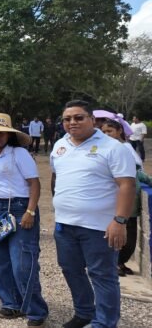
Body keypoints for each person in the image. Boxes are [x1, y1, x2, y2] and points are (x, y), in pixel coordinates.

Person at [50, 100, 135, 328]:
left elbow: (127, 185)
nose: (72, 123)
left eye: (78, 117)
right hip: (65, 225)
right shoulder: (60, 145)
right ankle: (84, 313)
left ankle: (105, 322)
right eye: (67, 119)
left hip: (100, 226)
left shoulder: (112, 147)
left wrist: (120, 221)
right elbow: (57, 178)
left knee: (102, 275)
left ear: (92, 120)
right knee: (70, 270)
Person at [0, 114, 48, 327]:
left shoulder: (19, 153)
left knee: (22, 261)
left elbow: (34, 184)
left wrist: (30, 212)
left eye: (1, 132)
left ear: (9, 134)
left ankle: (35, 309)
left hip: (20, 207)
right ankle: (11, 303)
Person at [98, 115, 151, 277]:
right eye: (103, 131)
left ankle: (119, 262)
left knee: (129, 236)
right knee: (117, 235)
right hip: (111, 200)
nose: (107, 134)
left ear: (119, 131)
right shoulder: (103, 149)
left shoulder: (125, 148)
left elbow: (137, 171)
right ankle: (115, 263)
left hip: (127, 199)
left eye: (110, 131)